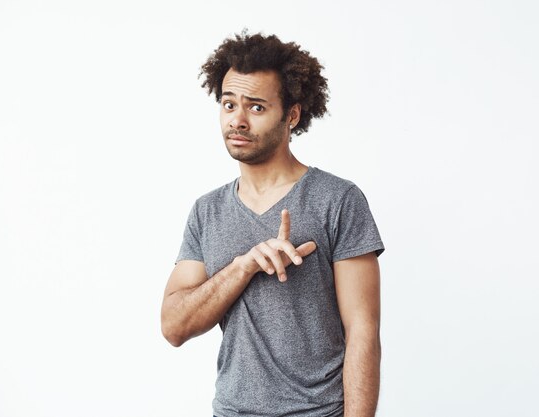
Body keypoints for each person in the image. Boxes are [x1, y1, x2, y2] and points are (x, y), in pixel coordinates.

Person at [161, 31, 384, 417]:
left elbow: (363, 331)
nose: (238, 120)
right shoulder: (206, 211)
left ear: (292, 115)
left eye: (257, 108)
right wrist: (243, 266)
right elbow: (174, 326)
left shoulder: (338, 200)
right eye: (229, 105)